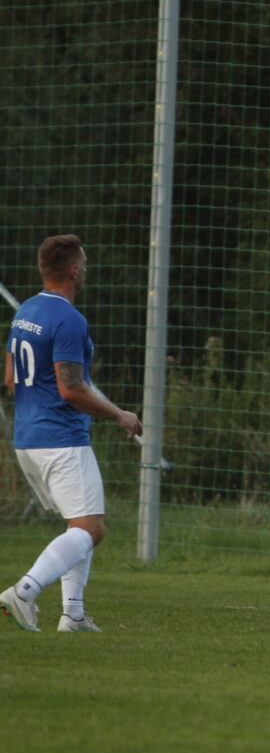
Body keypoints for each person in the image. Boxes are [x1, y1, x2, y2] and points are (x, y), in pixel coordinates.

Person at [0, 235, 142, 633]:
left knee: (79, 525)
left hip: (28, 437)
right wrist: (120, 415)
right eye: (85, 264)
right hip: (60, 440)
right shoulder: (69, 320)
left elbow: (10, 379)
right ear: (74, 270)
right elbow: (71, 389)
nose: (87, 270)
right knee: (91, 530)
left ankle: (73, 615)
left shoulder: (26, 311)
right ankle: (24, 592)